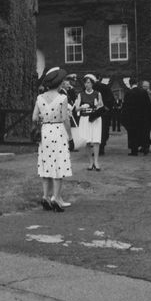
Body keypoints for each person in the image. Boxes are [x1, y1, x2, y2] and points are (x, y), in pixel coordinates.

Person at [32, 67, 73, 212]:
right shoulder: (62, 98)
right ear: (59, 83)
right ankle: (56, 198)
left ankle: (45, 197)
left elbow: (34, 117)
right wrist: (70, 136)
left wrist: (44, 119)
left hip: (45, 132)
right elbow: (65, 119)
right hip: (58, 131)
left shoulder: (40, 98)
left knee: (46, 164)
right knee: (58, 165)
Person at [74, 74, 103, 170]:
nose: (87, 84)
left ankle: (96, 161)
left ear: (92, 83)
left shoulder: (97, 94)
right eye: (85, 82)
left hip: (95, 119)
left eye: (89, 82)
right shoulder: (80, 94)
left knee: (96, 140)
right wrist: (82, 107)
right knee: (87, 140)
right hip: (85, 119)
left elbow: (101, 107)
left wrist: (97, 105)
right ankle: (90, 162)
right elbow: (76, 109)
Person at [121, 77, 151, 156]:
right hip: (143, 117)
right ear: (137, 83)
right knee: (143, 132)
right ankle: (145, 148)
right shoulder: (143, 92)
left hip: (132, 117)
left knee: (133, 134)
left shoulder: (128, 93)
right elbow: (148, 105)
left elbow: (125, 107)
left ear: (130, 83)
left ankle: (134, 150)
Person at [93, 79, 115, 155]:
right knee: (104, 130)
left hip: (95, 112)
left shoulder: (93, 88)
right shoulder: (105, 87)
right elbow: (111, 100)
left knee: (96, 130)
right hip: (104, 113)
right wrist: (107, 108)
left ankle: (98, 147)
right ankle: (101, 147)